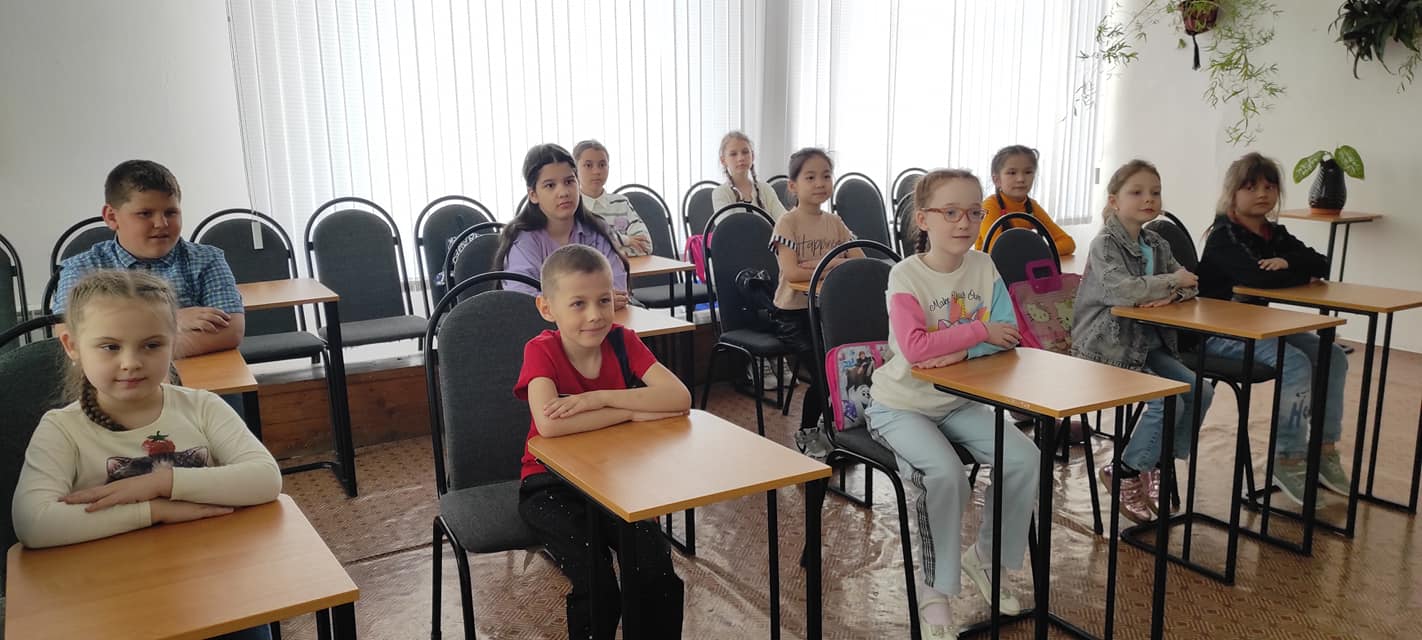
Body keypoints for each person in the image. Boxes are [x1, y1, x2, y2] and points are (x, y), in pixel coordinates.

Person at [12, 270, 281, 640]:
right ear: (72, 347)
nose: (131, 362)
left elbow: (266, 478)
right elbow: (33, 523)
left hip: (212, 588)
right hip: (107, 600)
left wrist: (161, 483)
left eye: (152, 345)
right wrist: (154, 511)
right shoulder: (62, 429)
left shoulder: (202, 407)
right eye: (110, 347)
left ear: (173, 343)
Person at [865, 168, 1038, 638]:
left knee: (1024, 458)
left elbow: (1009, 334)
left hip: (959, 401)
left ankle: (986, 559)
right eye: (951, 212)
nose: (965, 222)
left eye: (974, 212)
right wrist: (979, 332)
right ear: (924, 219)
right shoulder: (906, 275)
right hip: (901, 405)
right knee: (945, 476)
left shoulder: (984, 266)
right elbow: (916, 349)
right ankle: (935, 592)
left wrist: (959, 351)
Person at [515, 244, 690, 639]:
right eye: (578, 303)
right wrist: (630, 410)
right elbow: (549, 425)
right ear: (547, 308)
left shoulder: (622, 340)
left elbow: (679, 398)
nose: (595, 314)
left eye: (604, 300)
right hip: (549, 486)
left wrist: (600, 399)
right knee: (597, 581)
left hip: (615, 482)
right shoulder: (541, 350)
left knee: (655, 569)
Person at [1197, 152, 1348, 504]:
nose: (1262, 194)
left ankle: (1324, 450)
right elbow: (1257, 278)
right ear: (1232, 193)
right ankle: (1287, 458)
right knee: (1294, 363)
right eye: (1251, 187)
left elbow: (1322, 263)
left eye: (1269, 187)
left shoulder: (1273, 233)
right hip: (1216, 334)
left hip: (1257, 328)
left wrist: (1286, 262)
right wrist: (1298, 273)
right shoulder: (1223, 236)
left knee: (1333, 356)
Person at [1071, 159, 1214, 524]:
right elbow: (1121, 291)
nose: (1148, 199)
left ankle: (1158, 461)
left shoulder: (1156, 243)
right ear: (1114, 201)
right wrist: (1171, 283)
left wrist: (1171, 294)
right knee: (1169, 400)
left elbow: (1191, 283)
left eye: (1155, 192)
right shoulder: (1105, 244)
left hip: (1147, 345)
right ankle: (1125, 470)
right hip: (1108, 349)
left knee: (1200, 390)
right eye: (1136, 192)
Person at [54, 160, 245, 358]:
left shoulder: (207, 259)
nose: (161, 223)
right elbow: (70, 336)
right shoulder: (82, 268)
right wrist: (171, 320)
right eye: (145, 214)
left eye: (171, 212)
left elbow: (231, 331)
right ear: (112, 217)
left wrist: (120, 343)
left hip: (199, 373)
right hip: (117, 377)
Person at [768, 147, 861, 457]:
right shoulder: (787, 223)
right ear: (793, 186)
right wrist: (835, 263)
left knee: (842, 373)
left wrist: (825, 264)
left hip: (827, 313)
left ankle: (831, 432)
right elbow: (793, 272)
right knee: (824, 376)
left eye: (826, 176)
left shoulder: (835, 222)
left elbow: (859, 260)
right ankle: (809, 434)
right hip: (793, 316)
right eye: (810, 177)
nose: (820, 183)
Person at [496, 143, 631, 309]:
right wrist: (594, 301)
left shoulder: (596, 230)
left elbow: (618, 288)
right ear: (533, 195)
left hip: (601, 322)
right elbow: (523, 299)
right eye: (550, 185)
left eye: (569, 181)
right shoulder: (523, 240)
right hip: (541, 325)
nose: (563, 192)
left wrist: (574, 304)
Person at [974, 145, 1076, 256]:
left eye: (1028, 172)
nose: (1021, 179)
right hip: (988, 266)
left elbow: (1068, 243)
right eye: (1012, 173)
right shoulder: (990, 206)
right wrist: (1035, 253)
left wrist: (1036, 253)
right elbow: (997, 252)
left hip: (1021, 265)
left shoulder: (1032, 206)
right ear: (997, 180)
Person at [573, 139, 654, 257]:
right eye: (588, 165)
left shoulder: (622, 203)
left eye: (602, 165)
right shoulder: (573, 206)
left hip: (630, 268)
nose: (596, 171)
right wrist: (626, 240)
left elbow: (646, 246)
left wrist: (612, 253)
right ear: (575, 169)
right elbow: (581, 251)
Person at [711, 130, 788, 222]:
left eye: (745, 152)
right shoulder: (720, 193)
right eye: (733, 154)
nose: (741, 158)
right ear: (723, 161)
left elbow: (785, 220)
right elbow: (726, 226)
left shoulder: (766, 189)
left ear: (753, 156)